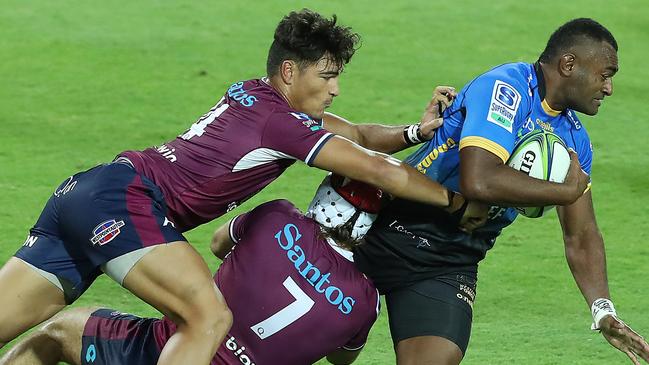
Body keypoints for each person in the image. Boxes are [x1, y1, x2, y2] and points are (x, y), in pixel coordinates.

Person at [0, 8, 498, 365]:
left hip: (85, 192)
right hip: (127, 203)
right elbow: (379, 170)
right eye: (326, 76)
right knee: (209, 317)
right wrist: (456, 202)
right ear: (289, 71)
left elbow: (360, 136)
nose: (335, 88)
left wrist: (415, 133)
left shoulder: (257, 99)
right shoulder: (280, 126)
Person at [354, 18, 649, 365]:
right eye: (605, 74)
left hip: (449, 262)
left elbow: (581, 234)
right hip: (384, 231)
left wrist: (603, 311)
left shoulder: (574, 141)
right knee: (327, 344)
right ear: (569, 65)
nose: (610, 88)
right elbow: (478, 180)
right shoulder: (506, 88)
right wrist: (562, 192)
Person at [0, 174, 385, 365]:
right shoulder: (366, 301)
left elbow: (219, 243)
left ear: (324, 196)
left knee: (59, 331)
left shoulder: (279, 218)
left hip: (165, 350)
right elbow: (341, 358)